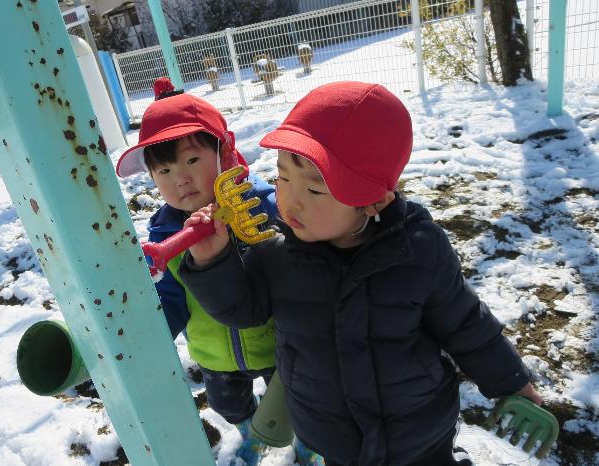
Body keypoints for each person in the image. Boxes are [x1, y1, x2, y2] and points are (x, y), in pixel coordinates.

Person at [178, 82, 542, 466]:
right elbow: (240, 310)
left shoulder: (418, 250)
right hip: (332, 436)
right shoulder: (277, 254)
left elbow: (465, 323)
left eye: (315, 190)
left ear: (373, 201)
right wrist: (212, 261)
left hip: (419, 431)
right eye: (284, 178)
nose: (290, 199)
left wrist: (511, 382)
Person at [116, 88, 323, 465]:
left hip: (277, 343)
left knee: (297, 400)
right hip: (215, 356)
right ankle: (248, 432)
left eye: (192, 159)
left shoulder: (261, 207)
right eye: (164, 170)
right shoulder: (167, 237)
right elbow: (172, 300)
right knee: (229, 404)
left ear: (223, 153)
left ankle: (308, 445)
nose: (181, 179)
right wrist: (152, 337)